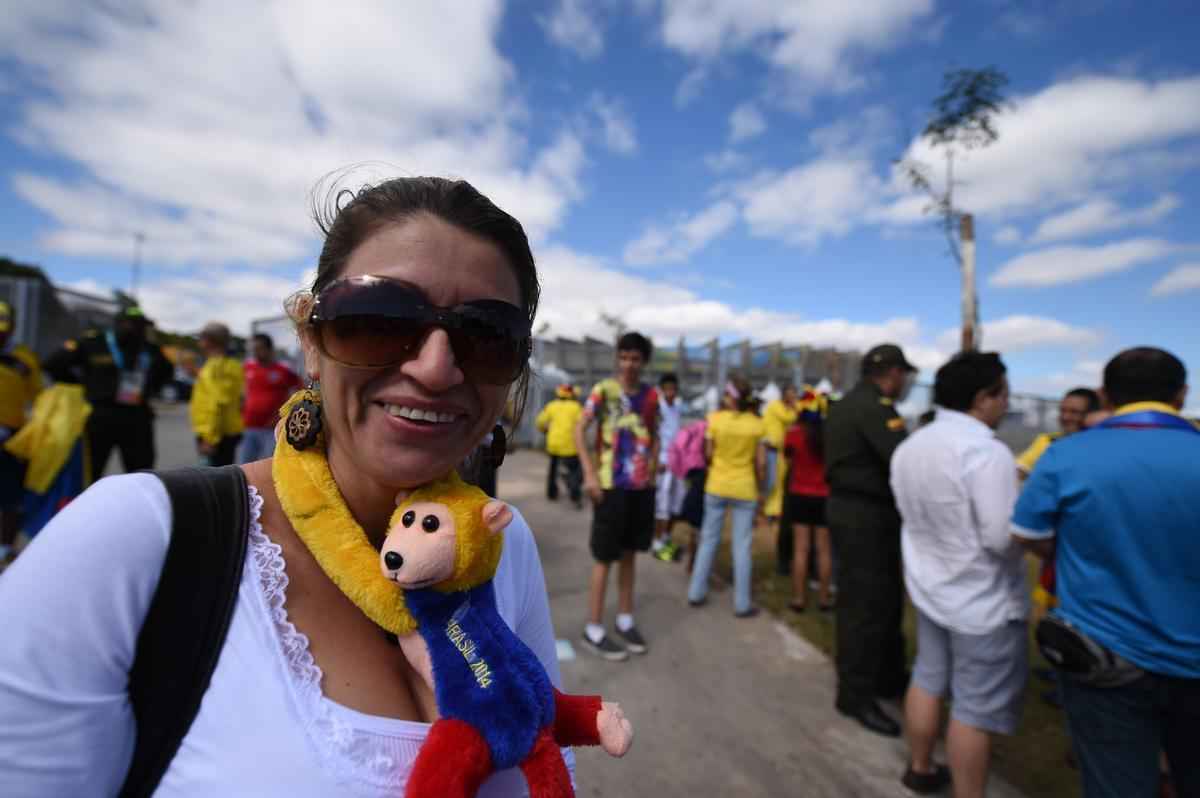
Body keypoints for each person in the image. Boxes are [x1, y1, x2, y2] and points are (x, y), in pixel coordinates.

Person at [0, 176, 595, 796]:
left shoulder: (505, 543)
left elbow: (548, 751)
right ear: (312, 342)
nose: (435, 367)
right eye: (379, 318)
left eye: (486, 336)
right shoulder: (132, 538)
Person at [1012, 347, 1199, 798]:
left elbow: (1026, 532)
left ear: (1104, 395)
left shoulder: (1064, 455)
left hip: (1104, 654)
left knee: (1115, 784)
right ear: (1181, 394)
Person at [892, 352, 1028, 797]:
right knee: (974, 709)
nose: (1007, 403)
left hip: (931, 587)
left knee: (928, 676)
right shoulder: (987, 453)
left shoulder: (912, 445)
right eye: (1002, 393)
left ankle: (920, 766)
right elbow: (998, 537)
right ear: (982, 397)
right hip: (980, 600)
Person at [824, 342, 916, 737]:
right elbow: (902, 459)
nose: (905, 382)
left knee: (878, 602)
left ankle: (885, 680)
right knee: (865, 608)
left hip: (854, 512)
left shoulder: (845, 404)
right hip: (866, 517)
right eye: (903, 374)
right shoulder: (874, 408)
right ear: (891, 372)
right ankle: (856, 694)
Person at [575, 331, 660, 660]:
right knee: (604, 557)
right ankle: (593, 627)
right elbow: (579, 429)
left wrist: (653, 467)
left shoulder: (651, 396)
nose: (628, 364)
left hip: (640, 488)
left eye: (635, 358)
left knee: (629, 554)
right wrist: (590, 472)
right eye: (623, 357)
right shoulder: (604, 391)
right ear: (617, 359)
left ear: (644, 362)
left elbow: (653, 435)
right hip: (610, 485)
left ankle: (625, 619)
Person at [42, 305, 173, 479]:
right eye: (133, 324)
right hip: (100, 416)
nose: (138, 329)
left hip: (137, 416)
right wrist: (81, 385)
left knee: (142, 475)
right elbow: (53, 364)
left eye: (141, 325)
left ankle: (135, 506)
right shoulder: (93, 343)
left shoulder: (150, 349)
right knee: (90, 471)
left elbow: (166, 372)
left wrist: (150, 390)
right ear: (120, 324)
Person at [686, 376, 766, 618]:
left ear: (730, 397)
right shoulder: (757, 425)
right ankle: (742, 604)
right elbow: (760, 464)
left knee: (708, 540)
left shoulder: (715, 420)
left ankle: (695, 593)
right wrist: (761, 491)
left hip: (717, 485)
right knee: (742, 546)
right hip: (745, 488)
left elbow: (708, 454)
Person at [0, 300, 43, 566]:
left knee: (11, 498)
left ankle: (4, 548)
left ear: (12, 328)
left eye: (4, 329)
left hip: (11, 439)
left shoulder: (24, 359)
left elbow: (38, 397)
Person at [782, 388, 832, 613]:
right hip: (824, 495)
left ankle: (798, 599)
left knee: (800, 549)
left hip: (799, 494)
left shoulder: (794, 433)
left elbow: (787, 458)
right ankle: (823, 598)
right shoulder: (830, 435)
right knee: (824, 550)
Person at [238, 332, 302, 463]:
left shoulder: (284, 370)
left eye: (258, 349)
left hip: (271, 429)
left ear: (269, 349)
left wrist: (284, 415)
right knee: (245, 466)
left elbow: (301, 393)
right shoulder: (247, 367)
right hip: (249, 427)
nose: (255, 352)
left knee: (269, 466)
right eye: (253, 349)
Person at [1015, 387, 1101, 480]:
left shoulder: (1103, 445)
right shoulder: (1048, 441)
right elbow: (1020, 469)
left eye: (1074, 412)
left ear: (1093, 414)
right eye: (1062, 410)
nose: (1065, 417)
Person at [190, 322, 246, 467]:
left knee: (212, 483)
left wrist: (209, 439)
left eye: (201, 338)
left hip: (216, 437)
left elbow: (215, 404)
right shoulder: (233, 365)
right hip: (228, 432)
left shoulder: (215, 368)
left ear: (209, 340)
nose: (199, 342)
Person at [651, 372, 685, 562]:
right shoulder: (659, 408)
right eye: (668, 389)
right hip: (663, 460)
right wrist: (657, 461)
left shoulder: (677, 408)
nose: (671, 393)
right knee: (662, 503)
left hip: (676, 461)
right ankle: (657, 542)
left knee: (676, 502)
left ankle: (666, 538)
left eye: (673, 389)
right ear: (662, 390)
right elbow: (655, 435)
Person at [535, 384, 583, 507]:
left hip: (554, 444)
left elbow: (540, 422)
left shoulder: (551, 406)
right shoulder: (576, 407)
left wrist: (544, 430)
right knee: (574, 471)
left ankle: (551, 493)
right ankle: (575, 495)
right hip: (570, 445)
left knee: (553, 470)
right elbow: (582, 425)